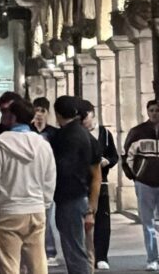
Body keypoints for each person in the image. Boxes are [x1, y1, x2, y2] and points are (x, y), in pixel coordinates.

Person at [0, 99, 56, 274]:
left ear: (12, 117)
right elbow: (50, 179)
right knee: (38, 265)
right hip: (36, 209)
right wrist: (45, 203)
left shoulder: (1, 143)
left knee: (8, 265)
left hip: (8, 210)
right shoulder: (43, 144)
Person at [121, 100, 159, 272]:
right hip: (144, 184)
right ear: (147, 112)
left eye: (157, 110)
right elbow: (127, 156)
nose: (154, 113)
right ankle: (152, 259)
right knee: (147, 222)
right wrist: (136, 176)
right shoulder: (137, 132)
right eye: (151, 110)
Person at [51, 96, 101, 274]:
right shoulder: (87, 136)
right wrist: (92, 206)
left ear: (58, 114)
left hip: (68, 198)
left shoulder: (62, 137)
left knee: (74, 252)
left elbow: (61, 169)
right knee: (83, 250)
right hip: (83, 197)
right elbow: (96, 174)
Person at [78, 100, 119, 271]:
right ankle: (85, 255)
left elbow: (114, 156)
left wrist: (107, 161)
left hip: (101, 180)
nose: (84, 121)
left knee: (102, 219)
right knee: (82, 220)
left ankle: (101, 256)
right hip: (82, 182)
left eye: (86, 116)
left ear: (92, 114)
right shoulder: (78, 134)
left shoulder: (104, 134)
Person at [32, 97, 59, 267]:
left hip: (49, 180)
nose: (39, 114)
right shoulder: (28, 131)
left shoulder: (54, 133)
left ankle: (50, 251)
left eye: (42, 111)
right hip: (32, 179)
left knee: (47, 218)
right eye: (36, 110)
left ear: (48, 113)